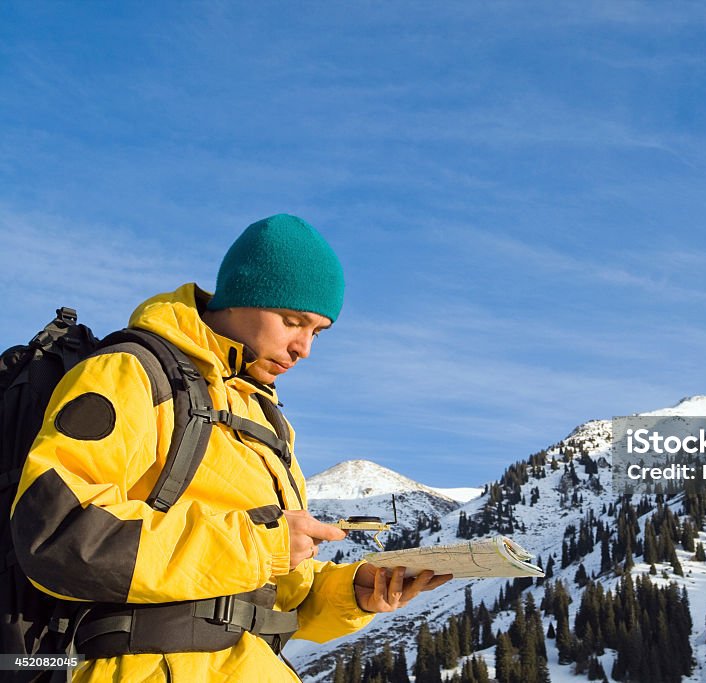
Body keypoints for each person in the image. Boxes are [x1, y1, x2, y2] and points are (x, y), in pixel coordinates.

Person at [11, 214, 450, 681]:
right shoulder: (132, 374)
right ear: (241, 297)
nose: (304, 348)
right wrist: (262, 543)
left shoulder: (267, 422)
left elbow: (270, 601)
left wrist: (352, 593)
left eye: (317, 331)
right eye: (292, 321)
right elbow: (57, 535)